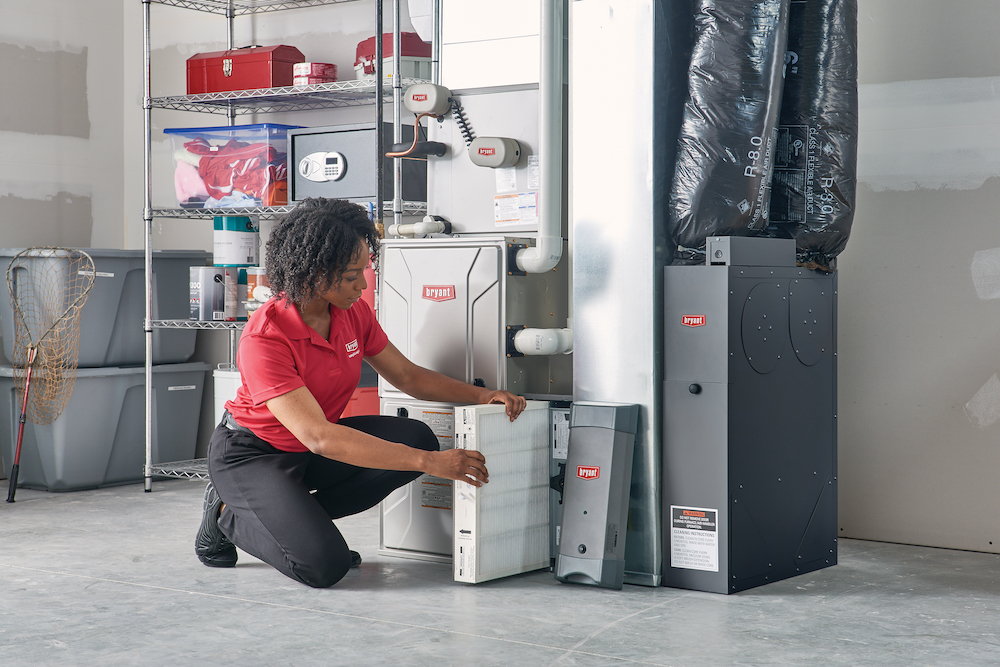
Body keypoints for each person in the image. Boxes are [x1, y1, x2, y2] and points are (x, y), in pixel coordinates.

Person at [195, 197, 525, 588]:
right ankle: (227, 517)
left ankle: (296, 525)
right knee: (324, 567)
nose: (363, 285)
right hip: (253, 454)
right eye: (353, 276)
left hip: (308, 452)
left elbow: (406, 375)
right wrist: (431, 463)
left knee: (416, 437)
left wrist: (482, 396)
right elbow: (318, 436)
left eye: (364, 271)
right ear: (315, 273)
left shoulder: (352, 313)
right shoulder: (266, 337)